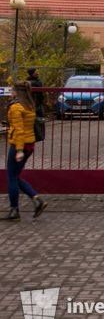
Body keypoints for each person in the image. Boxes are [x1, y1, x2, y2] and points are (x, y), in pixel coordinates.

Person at [6, 81, 47, 221]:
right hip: (30, 144)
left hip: (20, 145)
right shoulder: (30, 105)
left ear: (17, 91)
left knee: (11, 177)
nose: (10, 92)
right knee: (16, 176)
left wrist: (18, 150)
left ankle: (14, 210)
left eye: (12, 90)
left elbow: (18, 130)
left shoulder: (16, 108)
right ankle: (36, 199)